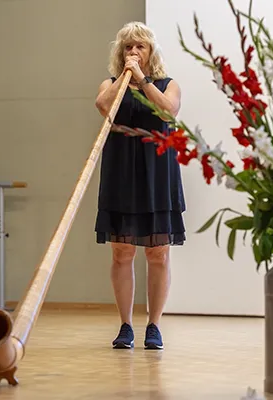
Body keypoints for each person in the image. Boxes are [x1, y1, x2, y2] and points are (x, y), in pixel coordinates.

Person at [94, 21, 186, 350]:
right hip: (121, 170)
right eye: (128, 47)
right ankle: (125, 325)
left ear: (150, 51)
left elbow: (168, 111)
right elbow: (103, 106)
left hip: (157, 172)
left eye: (140, 46)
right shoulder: (112, 83)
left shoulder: (167, 84)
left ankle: (154, 325)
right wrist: (125, 77)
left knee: (158, 253)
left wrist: (143, 80)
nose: (133, 51)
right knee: (122, 252)